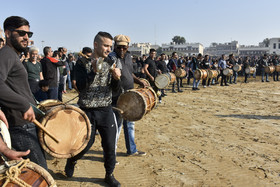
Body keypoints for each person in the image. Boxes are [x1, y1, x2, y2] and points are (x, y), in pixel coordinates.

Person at [64, 31, 121, 187]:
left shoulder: (111, 62)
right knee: (85, 144)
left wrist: (117, 79)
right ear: (96, 45)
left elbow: (115, 91)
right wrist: (93, 72)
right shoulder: (82, 63)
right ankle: (73, 159)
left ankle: (109, 174)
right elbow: (80, 87)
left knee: (110, 144)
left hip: (106, 109)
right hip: (87, 110)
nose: (109, 49)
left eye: (111, 46)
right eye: (106, 45)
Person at [0, 16, 47, 169]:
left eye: (28, 34)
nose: (26, 37)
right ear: (7, 33)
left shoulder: (13, 55)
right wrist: (23, 104)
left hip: (25, 124)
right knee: (40, 175)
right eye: (21, 33)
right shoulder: (6, 53)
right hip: (20, 126)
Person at [111, 34, 146, 158]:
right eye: (119, 47)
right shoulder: (111, 58)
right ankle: (111, 155)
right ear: (114, 46)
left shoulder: (129, 57)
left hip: (129, 96)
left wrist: (139, 81)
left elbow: (129, 73)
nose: (121, 50)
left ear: (128, 47)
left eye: (124, 48)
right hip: (117, 98)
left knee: (130, 124)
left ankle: (131, 149)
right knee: (117, 127)